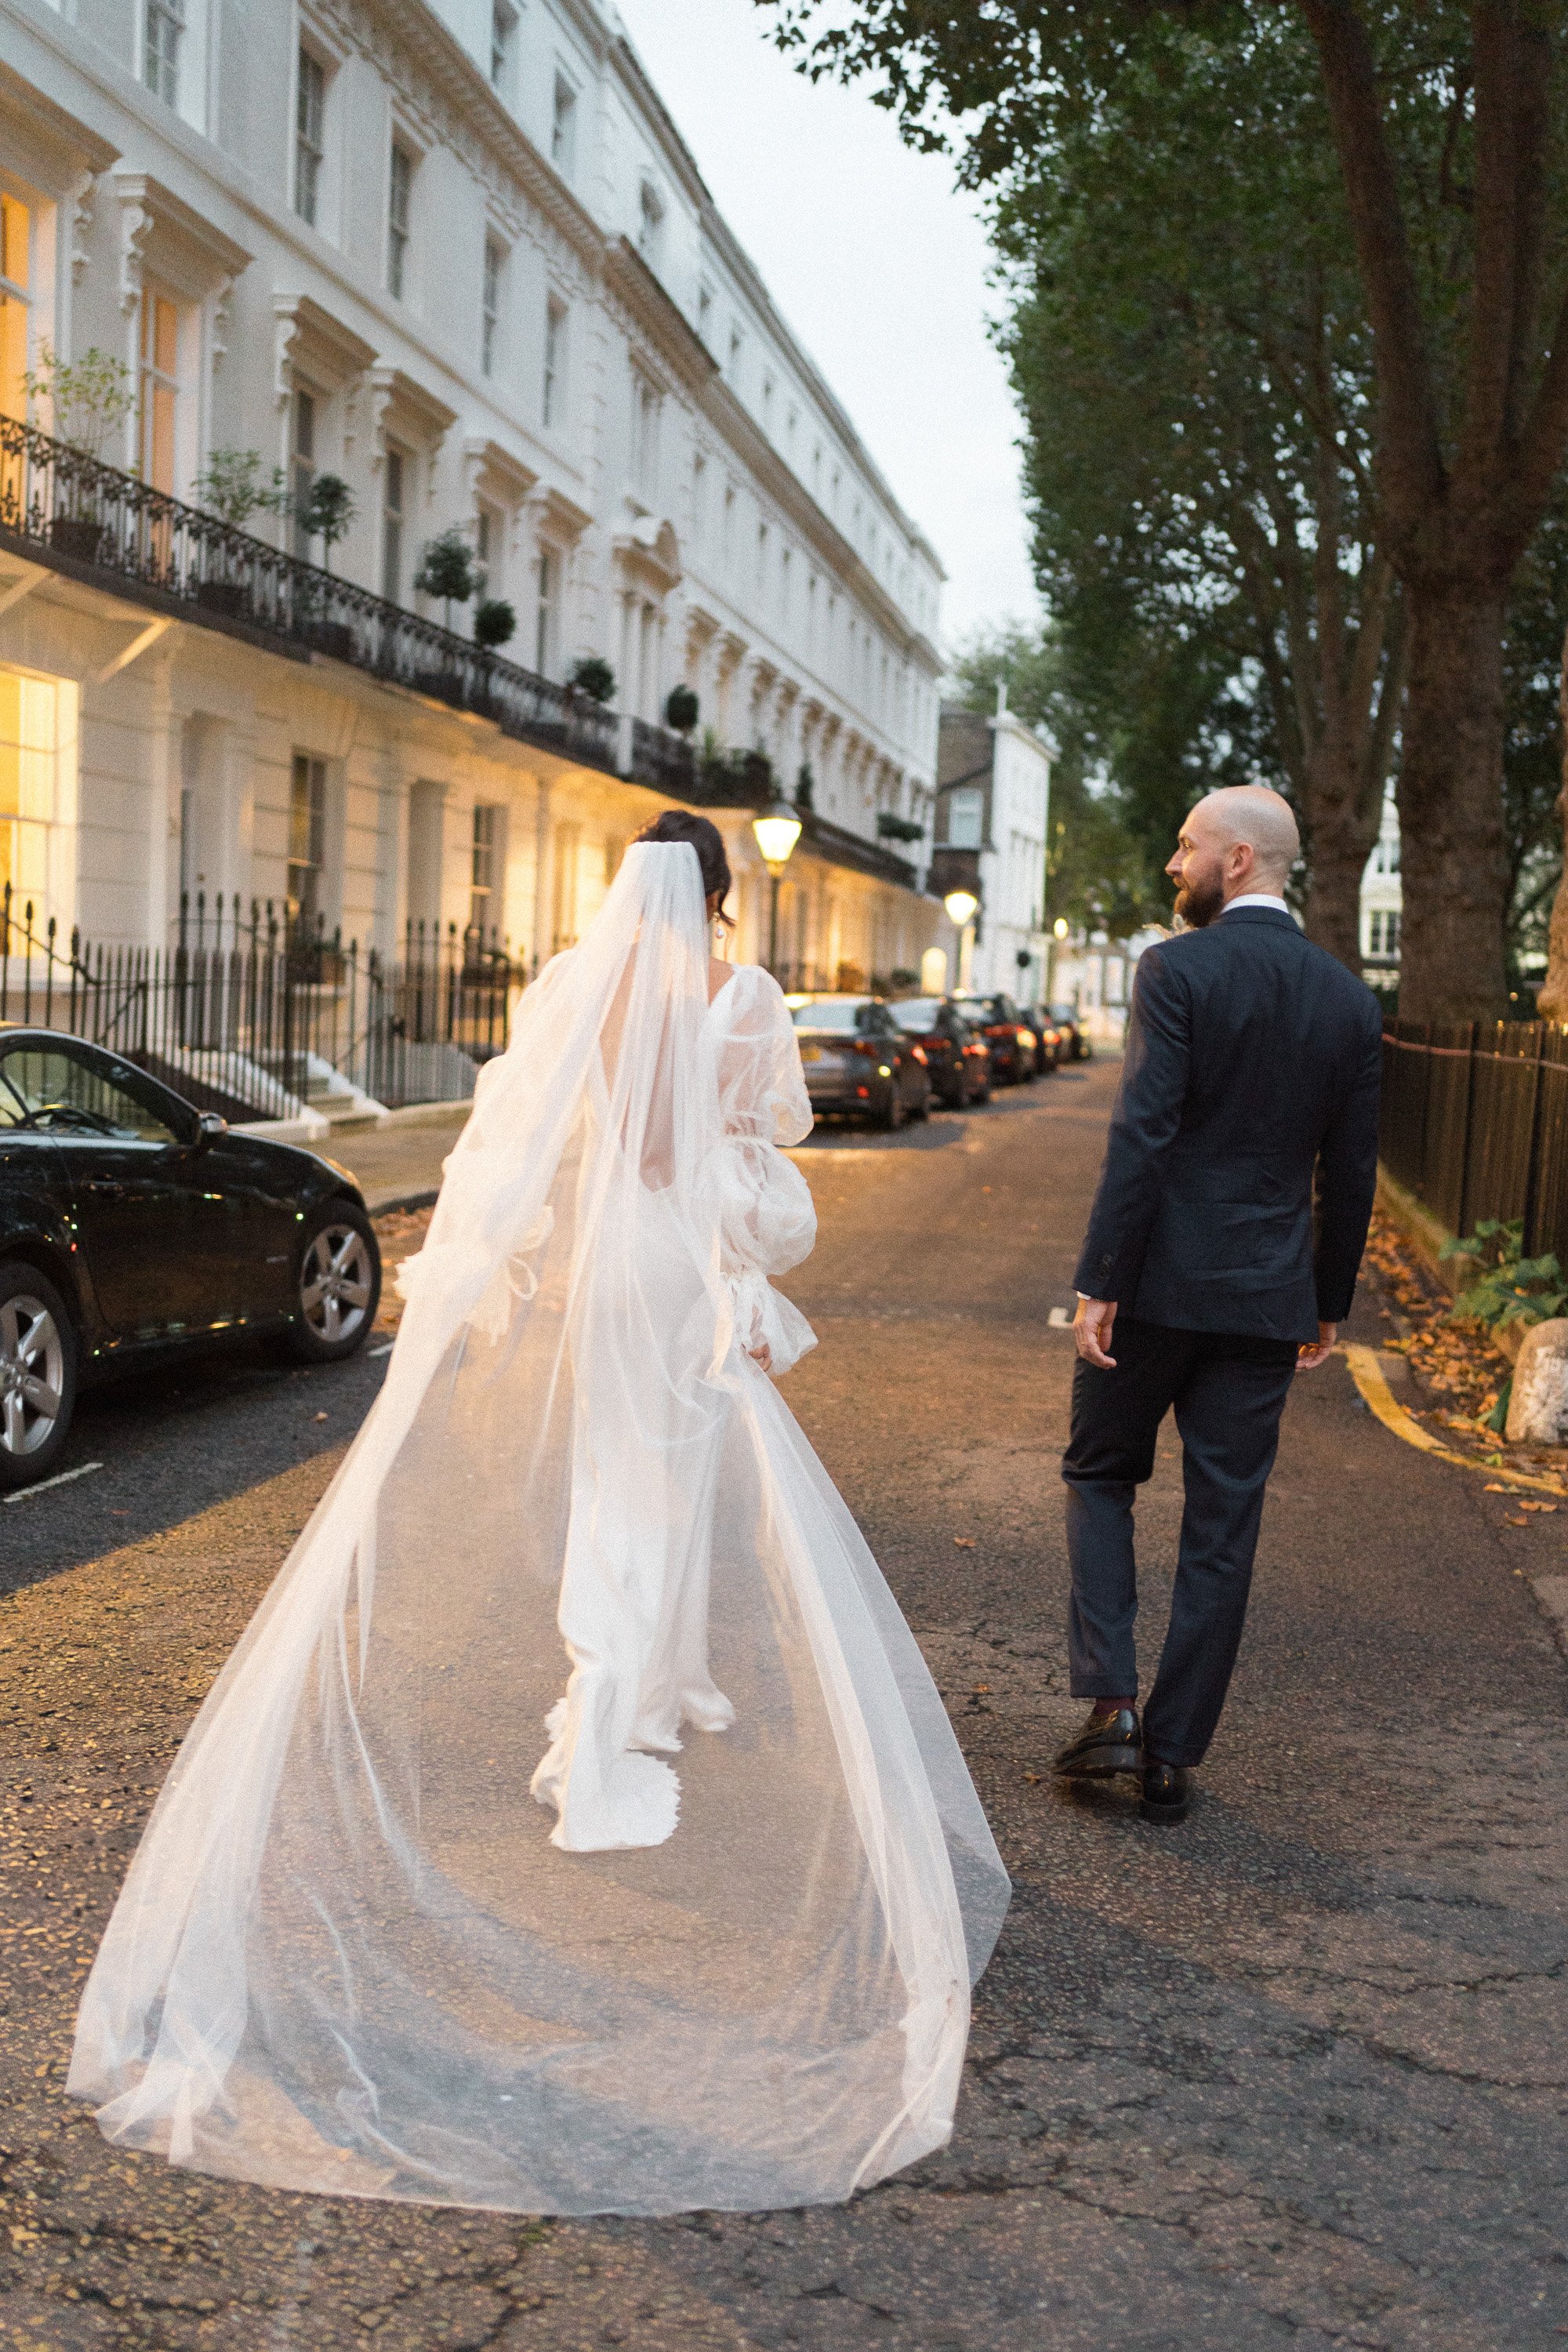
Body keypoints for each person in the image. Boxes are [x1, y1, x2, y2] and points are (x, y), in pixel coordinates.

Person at [67, 811, 1007, 2216]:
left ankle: (622, 1687)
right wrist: (745, 1260)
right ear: (722, 896)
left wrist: (471, 1280)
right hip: (681, 1263)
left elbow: (517, 1146)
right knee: (674, 1482)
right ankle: (636, 1702)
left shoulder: (578, 986)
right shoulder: (735, 1000)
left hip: (603, 1271)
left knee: (614, 1482)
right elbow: (745, 1156)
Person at [1053, 785, 1381, 1823]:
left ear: (1238, 860)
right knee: (1223, 1527)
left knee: (1100, 1469)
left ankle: (1113, 1710)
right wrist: (1326, 1300)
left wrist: (1101, 1280)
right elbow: (1353, 1171)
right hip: (1264, 1299)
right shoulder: (1346, 998)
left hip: (1152, 1288)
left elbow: (1143, 1133)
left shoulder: (1177, 969)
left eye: (1186, 845)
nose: (1172, 864)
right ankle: (1172, 1756)